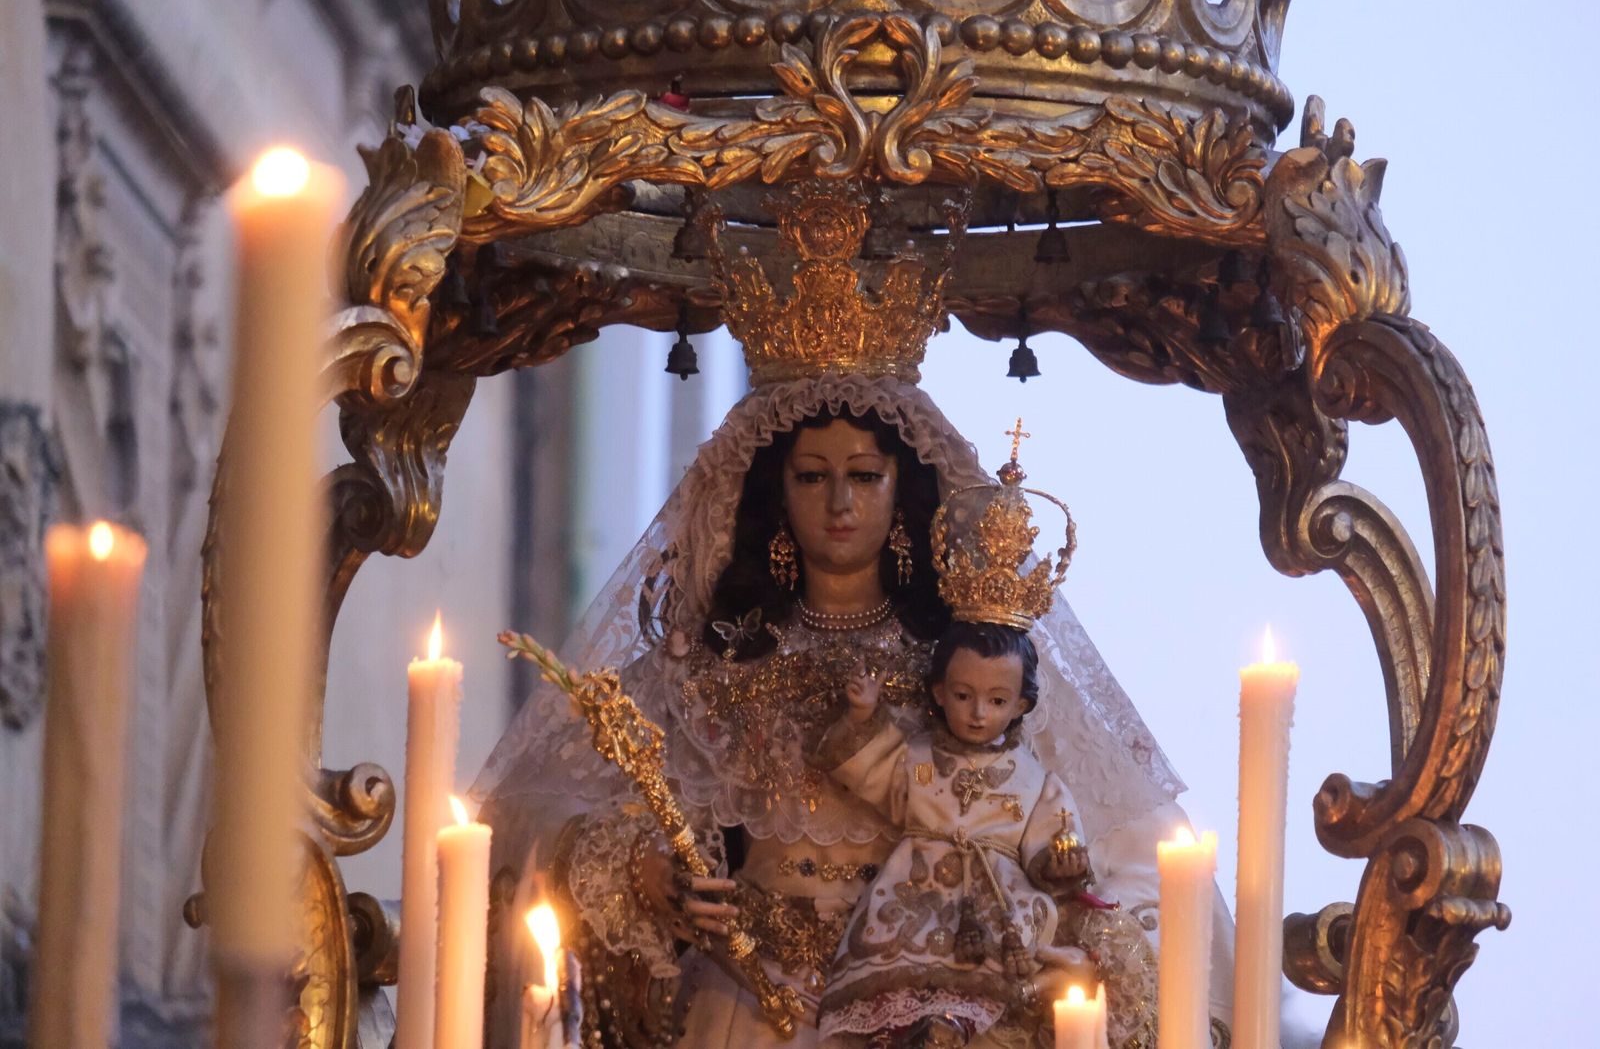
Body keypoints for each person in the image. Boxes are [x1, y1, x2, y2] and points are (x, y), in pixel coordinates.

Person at [471, 181, 1232, 1049]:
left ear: (903, 490)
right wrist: (644, 869)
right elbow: (524, 819)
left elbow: (1132, 849)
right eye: (812, 477)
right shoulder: (713, 663)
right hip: (747, 1006)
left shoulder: (968, 664)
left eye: (864, 477)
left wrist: (1083, 953)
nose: (839, 504)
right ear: (776, 492)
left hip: (933, 1006)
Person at [815, 443, 1103, 1048]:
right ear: (939, 692)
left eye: (996, 701)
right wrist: (862, 716)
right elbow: (864, 768)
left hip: (995, 910)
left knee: (999, 985)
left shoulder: (1034, 781)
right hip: (913, 898)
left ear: (1021, 705)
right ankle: (910, 1029)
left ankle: (953, 1026)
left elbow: (1054, 842)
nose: (977, 713)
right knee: (899, 982)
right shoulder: (917, 759)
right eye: (964, 695)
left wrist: (1060, 861)